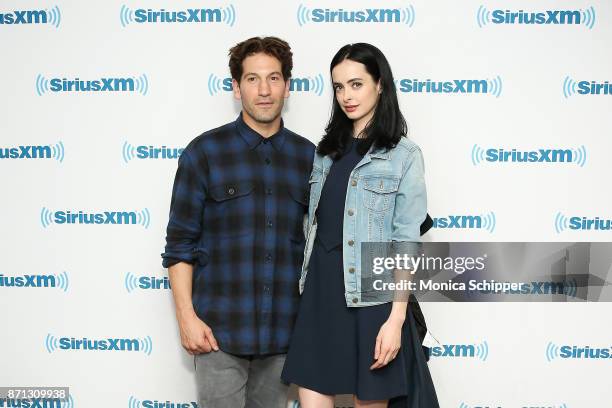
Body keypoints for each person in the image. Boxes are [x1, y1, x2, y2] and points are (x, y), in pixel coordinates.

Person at [281, 43, 440, 408]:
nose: (346, 96)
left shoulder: (404, 156)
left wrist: (396, 318)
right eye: (339, 87)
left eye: (356, 84)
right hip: (320, 295)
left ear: (380, 84)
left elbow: (405, 241)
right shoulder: (326, 152)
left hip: (371, 302)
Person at [161, 36, 315, 408]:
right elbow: (179, 244)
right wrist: (186, 317)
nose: (264, 90)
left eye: (274, 78)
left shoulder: (310, 158)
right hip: (218, 335)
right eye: (252, 79)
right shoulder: (204, 152)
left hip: (284, 336)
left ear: (287, 86)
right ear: (235, 87)